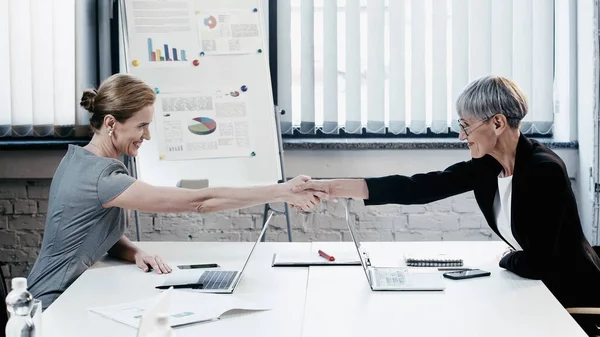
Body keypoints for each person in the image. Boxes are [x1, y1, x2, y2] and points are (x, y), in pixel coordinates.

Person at [292, 75, 600, 335]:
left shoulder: (543, 170)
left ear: (497, 123)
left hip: (569, 300)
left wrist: (508, 259)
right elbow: (419, 187)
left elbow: (539, 263)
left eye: (466, 125)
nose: (460, 135)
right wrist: (329, 187)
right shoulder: (489, 166)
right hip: (536, 292)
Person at [27, 73, 328, 310]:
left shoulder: (79, 160)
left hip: (65, 293)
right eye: (141, 126)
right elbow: (199, 202)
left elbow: (86, 227)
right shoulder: (102, 176)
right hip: (52, 304)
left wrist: (133, 251)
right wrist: (281, 191)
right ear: (110, 123)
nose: (146, 135)